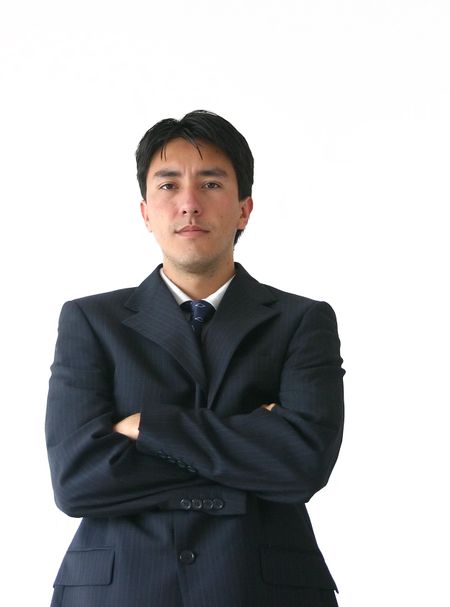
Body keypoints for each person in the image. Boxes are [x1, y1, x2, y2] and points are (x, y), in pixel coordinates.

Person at [45, 110, 345, 607]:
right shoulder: (90, 321)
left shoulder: (302, 321)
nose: (189, 203)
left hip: (263, 590)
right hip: (121, 591)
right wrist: (253, 440)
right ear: (146, 212)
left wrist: (147, 427)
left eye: (210, 184)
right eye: (168, 185)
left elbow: (301, 465)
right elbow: (76, 480)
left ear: (244, 209)